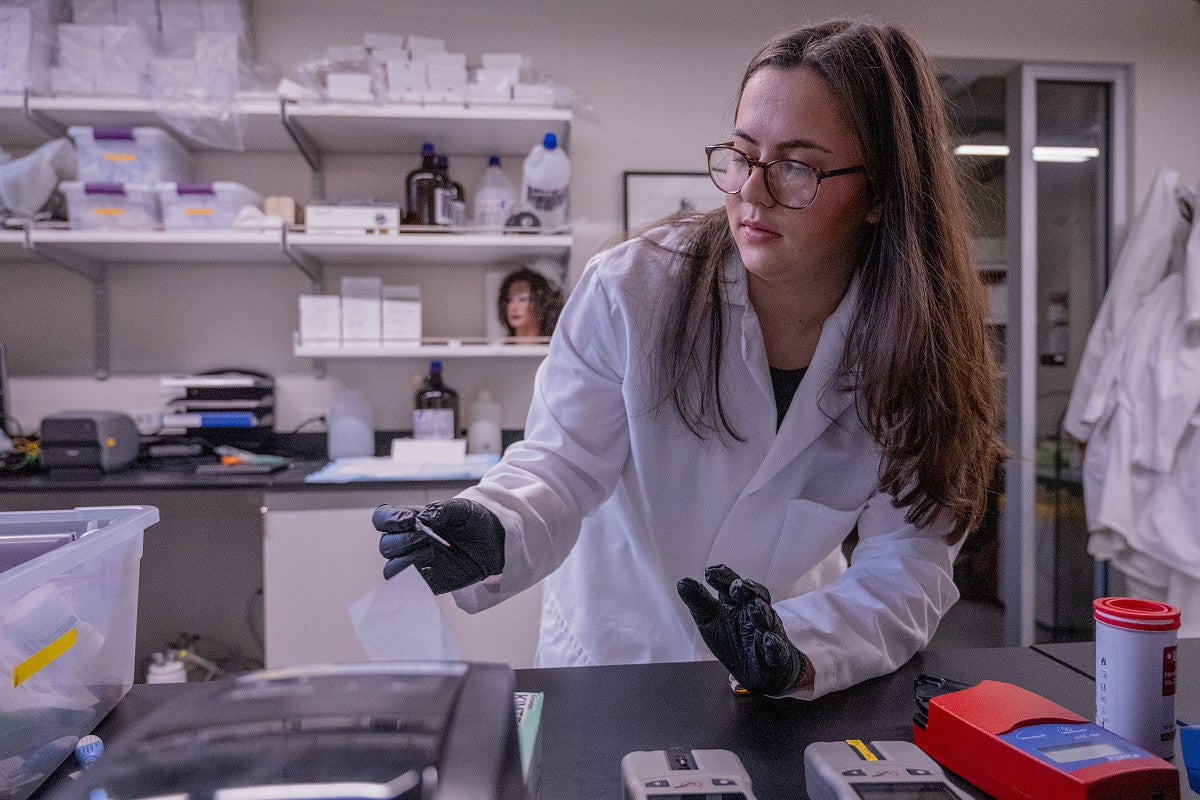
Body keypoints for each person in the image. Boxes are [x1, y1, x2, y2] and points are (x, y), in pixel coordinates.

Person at [373, 18, 1005, 699]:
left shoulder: (920, 342)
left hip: (791, 653)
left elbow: (907, 564)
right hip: (611, 657)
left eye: (796, 166)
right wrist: (496, 526)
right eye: (741, 154)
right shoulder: (632, 290)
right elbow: (562, 465)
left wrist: (800, 648)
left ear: (883, 190)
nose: (750, 193)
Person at [497, 267, 565, 340]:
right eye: (509, 300)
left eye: (522, 299)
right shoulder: (498, 349)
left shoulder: (554, 346)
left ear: (540, 302)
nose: (513, 307)